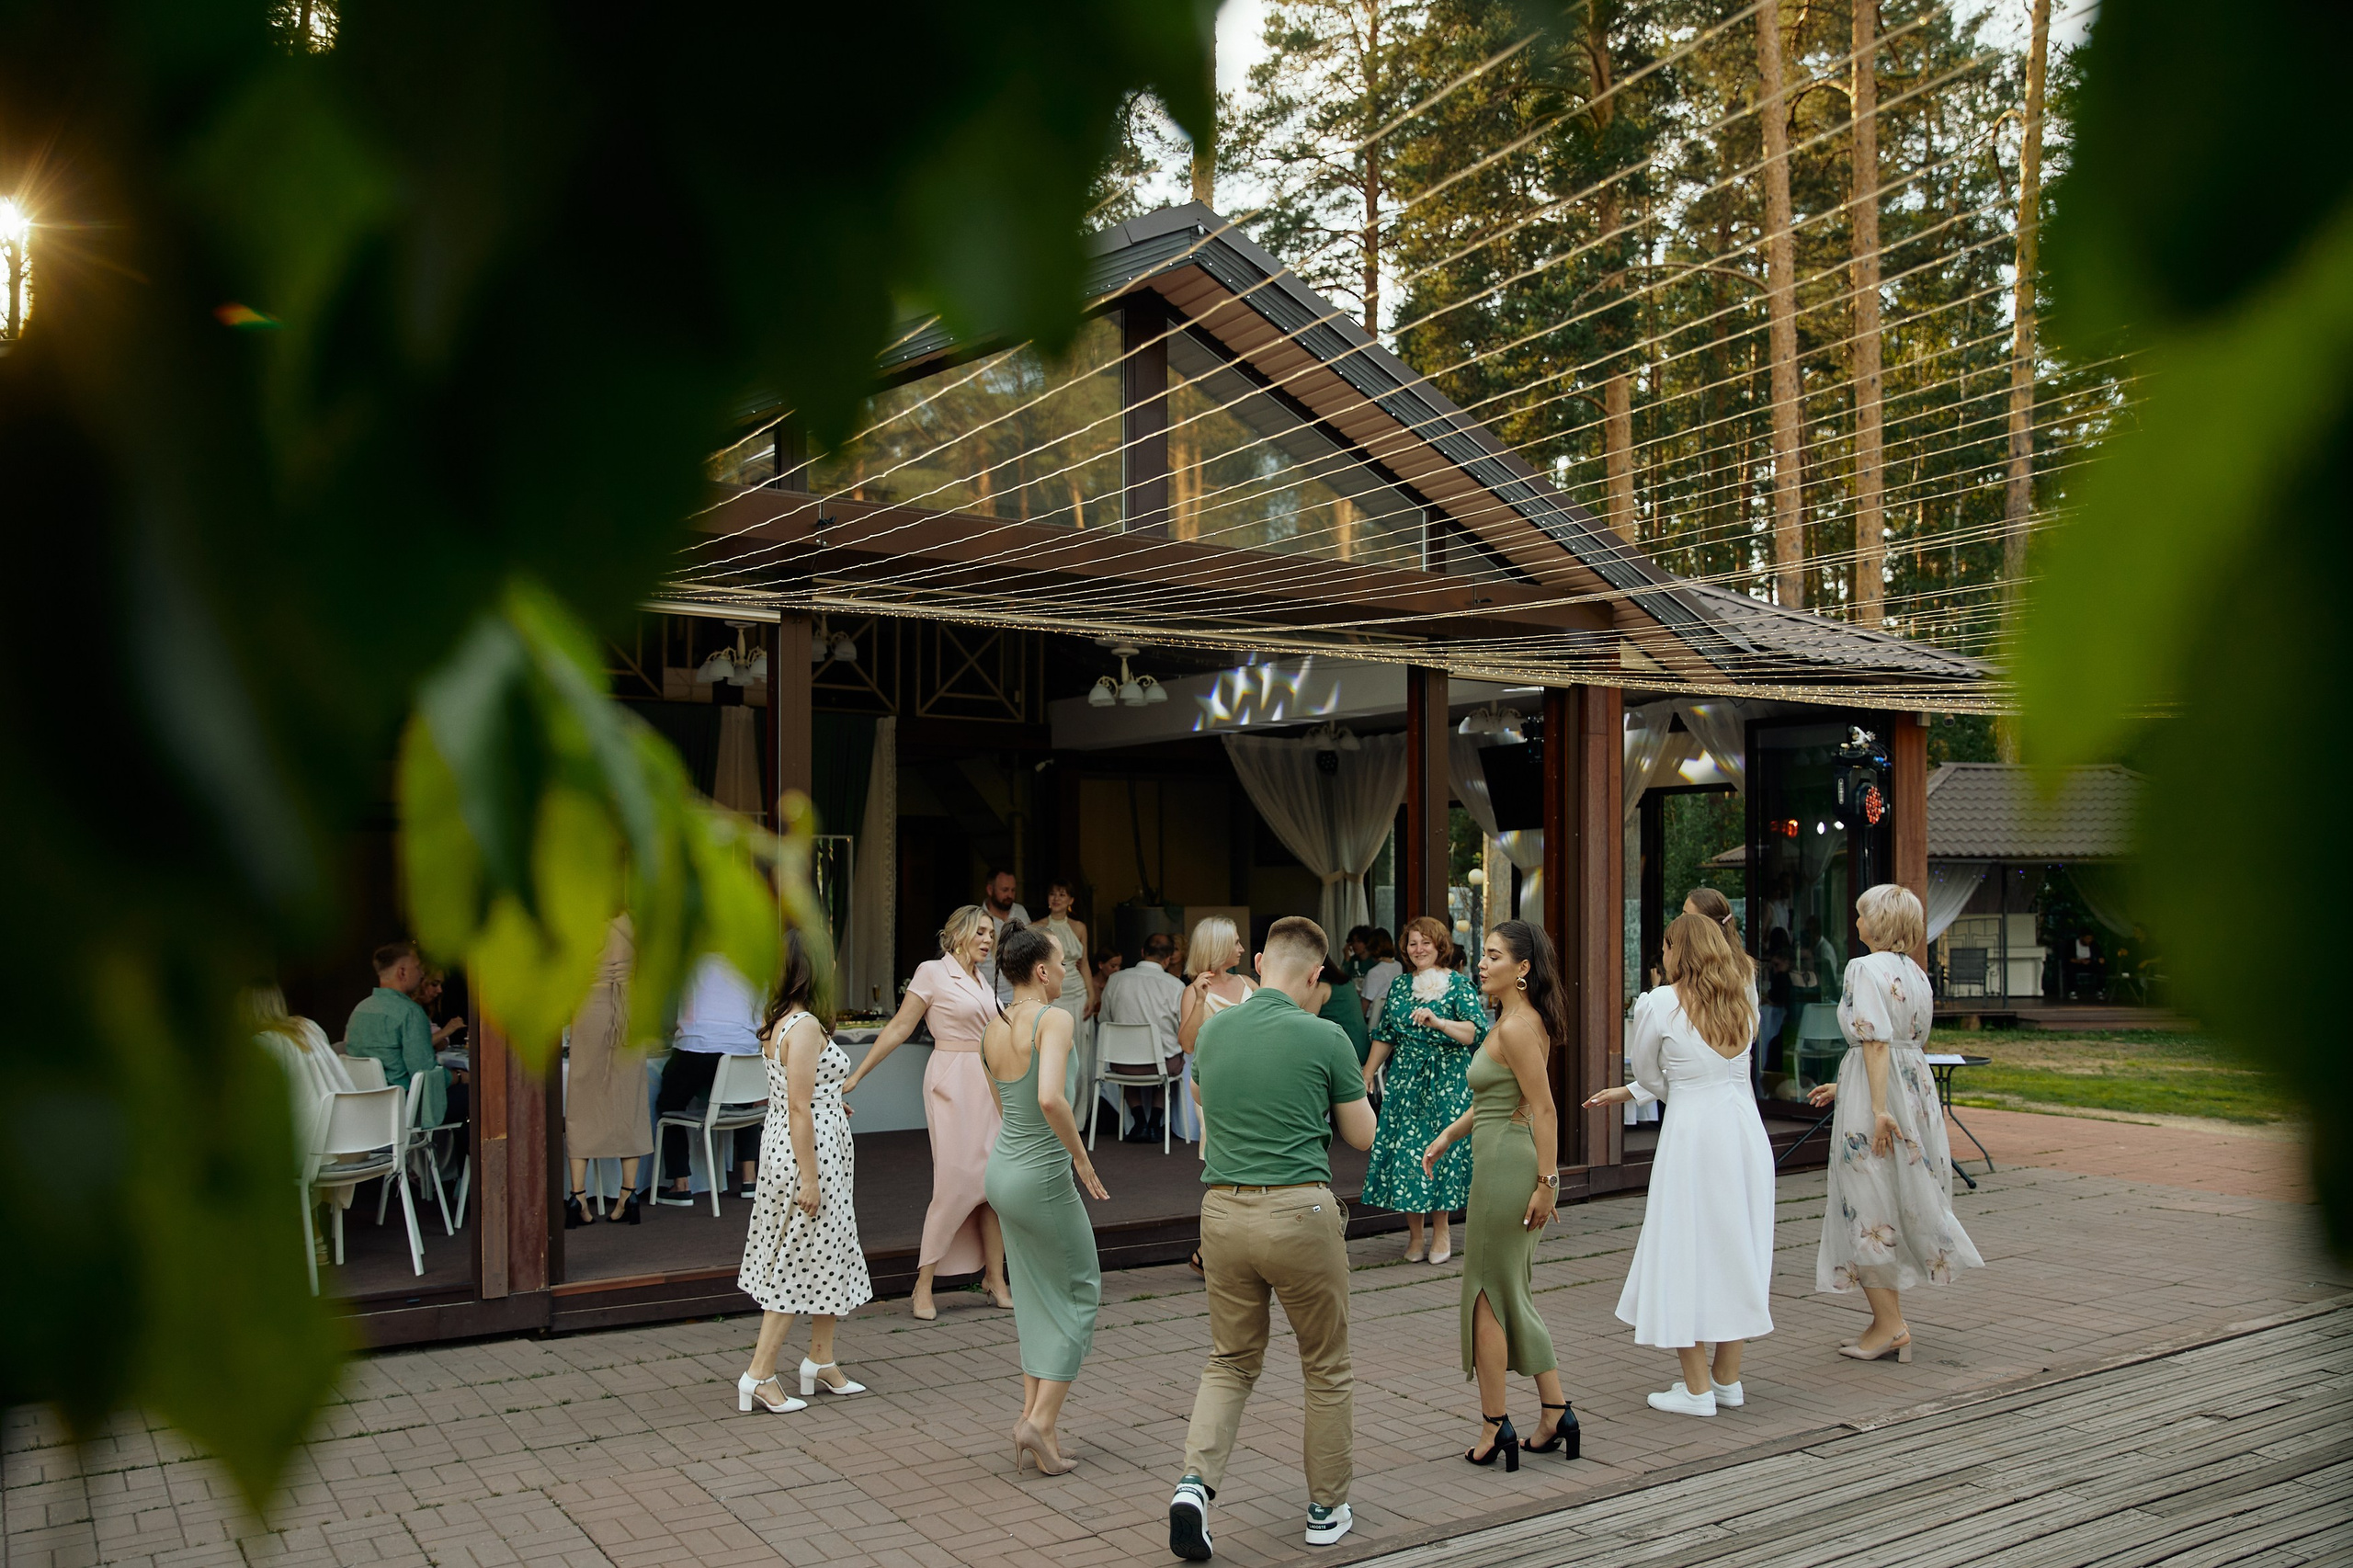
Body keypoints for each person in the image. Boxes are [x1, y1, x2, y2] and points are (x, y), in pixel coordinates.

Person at [1168, 916, 1377, 1561]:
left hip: (1223, 1213)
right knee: (1326, 1366)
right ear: (1315, 975)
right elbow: (1362, 1136)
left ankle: (1194, 1487)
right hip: (1300, 1214)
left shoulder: (1216, 1028)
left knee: (1229, 1360)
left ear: (1259, 961)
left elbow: (1202, 1097)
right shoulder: (1326, 1036)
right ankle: (1324, 1509)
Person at [1584, 912, 1775, 1418]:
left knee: (1681, 1247)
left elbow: (1646, 1071)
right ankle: (1726, 1379)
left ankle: (1696, 1389)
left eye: (1667, 946)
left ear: (1677, 951)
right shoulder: (1741, 997)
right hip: (1746, 1131)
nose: (1662, 955)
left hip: (1694, 1134)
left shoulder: (1663, 1002)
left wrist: (1684, 1088)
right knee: (1739, 1245)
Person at [1418, 922, 1576, 1469]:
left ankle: (1494, 1427)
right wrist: (1446, 1136)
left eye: (1493, 956)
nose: (1481, 964)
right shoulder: (1511, 1021)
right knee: (1510, 1292)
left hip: (1508, 1169)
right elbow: (1495, 1099)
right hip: (1499, 1159)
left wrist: (1547, 1183)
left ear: (1523, 968)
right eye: (1482, 955)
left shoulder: (1516, 1027)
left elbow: (1546, 1109)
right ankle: (1556, 1412)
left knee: (1486, 1296)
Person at [1806, 883, 1985, 1361]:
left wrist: (1876, 1106)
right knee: (1893, 1195)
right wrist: (1851, 1086)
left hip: (1883, 1099)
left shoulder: (1862, 968)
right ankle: (1883, 1322)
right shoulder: (1916, 974)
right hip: (1913, 1090)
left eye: (1862, 914)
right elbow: (1899, 1046)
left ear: (1879, 923)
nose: (1857, 921)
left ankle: (1890, 1326)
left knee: (1865, 1203)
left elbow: (1876, 1043)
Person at [843, 905, 1014, 1319]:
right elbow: (901, 1027)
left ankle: (995, 1277)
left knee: (993, 1185)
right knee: (955, 1184)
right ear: (959, 933)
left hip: (987, 1083)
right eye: (982, 932)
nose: (989, 940)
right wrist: (858, 1074)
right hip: (951, 1081)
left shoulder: (982, 979)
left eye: (992, 933)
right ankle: (923, 1285)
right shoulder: (931, 972)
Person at [983, 922, 1110, 1475]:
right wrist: (1080, 1158)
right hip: (1041, 1175)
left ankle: (1041, 1428)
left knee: (1036, 1299)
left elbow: (1005, 1106)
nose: (1065, 972)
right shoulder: (1053, 1018)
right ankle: (1036, 1423)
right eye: (1061, 964)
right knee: (1081, 1292)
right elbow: (1050, 1098)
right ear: (1040, 971)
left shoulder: (995, 1024)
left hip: (1003, 1171)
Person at [737, 929, 872, 1415]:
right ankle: (759, 1372)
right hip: (807, 1155)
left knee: (825, 1249)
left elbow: (802, 1096)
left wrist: (833, 1103)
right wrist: (811, 1178)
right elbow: (798, 1106)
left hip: (794, 1144)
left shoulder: (779, 1022)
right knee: (796, 1255)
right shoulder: (807, 1024)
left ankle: (821, 1360)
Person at [1360, 916, 1488, 1265]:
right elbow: (1385, 1034)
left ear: (1440, 946)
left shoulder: (1460, 985)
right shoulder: (1400, 986)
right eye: (1413, 943)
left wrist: (1440, 1022)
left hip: (1448, 1080)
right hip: (1406, 1081)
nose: (1418, 949)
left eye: (1426, 943)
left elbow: (1476, 1034)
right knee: (1408, 1154)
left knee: (1442, 1153)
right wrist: (1368, 1072)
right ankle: (1415, 1236)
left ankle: (1443, 1230)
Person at [654, 953, 765, 1203]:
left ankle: (680, 1183)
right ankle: (750, 1178)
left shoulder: (691, 954)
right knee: (745, 1102)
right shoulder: (753, 957)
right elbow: (762, 1013)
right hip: (742, 1050)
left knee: (669, 1103)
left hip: (696, 1045)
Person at [565, 915, 653, 1226]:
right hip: (628, 1007)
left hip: (590, 1004)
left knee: (581, 1098)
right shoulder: (633, 922)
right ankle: (629, 1195)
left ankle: (577, 1197)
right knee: (629, 1100)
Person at [346, 941, 465, 1131]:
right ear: (402, 972)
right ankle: (464, 1160)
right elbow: (425, 1073)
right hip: (404, 1109)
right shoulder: (410, 1012)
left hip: (367, 1108)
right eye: (417, 968)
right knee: (476, 1096)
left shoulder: (360, 1010)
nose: (422, 973)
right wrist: (460, 1076)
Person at [1099, 930, 1186, 1142]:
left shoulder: (1115, 980)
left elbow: (1103, 1019)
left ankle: (1139, 1121)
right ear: (1167, 959)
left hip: (1122, 1065)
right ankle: (1155, 1123)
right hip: (1161, 1066)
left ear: (1142, 952)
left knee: (1128, 1056)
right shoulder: (1176, 986)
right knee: (1171, 1057)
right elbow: (1182, 1027)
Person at [1037, 881, 1097, 1028]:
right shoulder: (1036, 927)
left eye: (1062, 895)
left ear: (1071, 900)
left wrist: (1091, 995)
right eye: (1052, 894)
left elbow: (1084, 963)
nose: (1056, 898)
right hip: (1049, 990)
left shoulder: (1079, 927)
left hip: (1077, 991)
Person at [978, 869, 1031, 1002]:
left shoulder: (1020, 911)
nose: (1010, 895)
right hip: (988, 997)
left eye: (1013, 890)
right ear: (990, 890)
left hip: (1020, 996)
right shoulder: (977, 918)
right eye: (1005, 890)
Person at [1309, 958, 1370, 1067]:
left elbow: (1304, 1022)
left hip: (1348, 1054)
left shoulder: (1321, 986)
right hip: (1362, 1047)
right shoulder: (1345, 982)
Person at [1357, 929, 1401, 1029]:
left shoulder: (1374, 972)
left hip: (1373, 1020)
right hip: (1392, 1018)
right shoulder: (1398, 966)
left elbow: (1365, 1004)